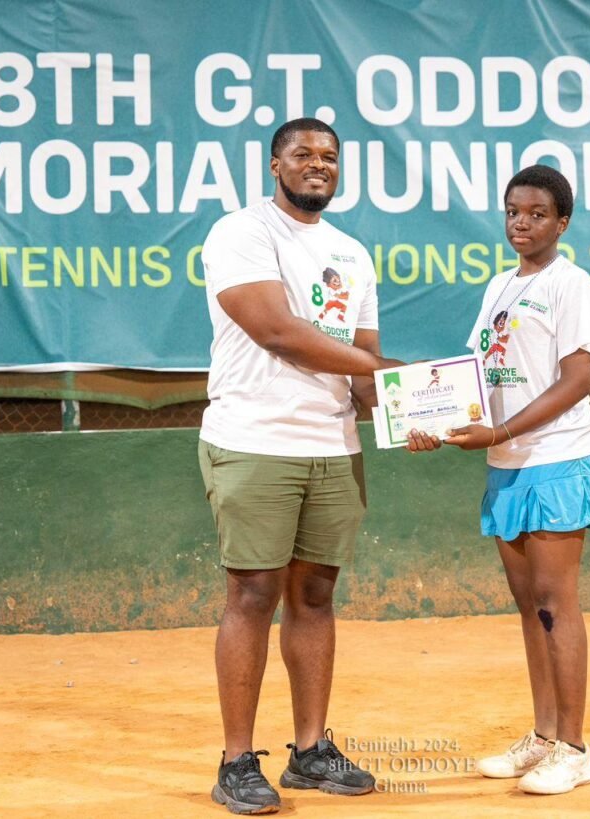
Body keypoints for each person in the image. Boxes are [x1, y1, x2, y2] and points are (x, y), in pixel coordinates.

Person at [199, 117, 395, 815]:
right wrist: (380, 368)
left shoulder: (352, 253)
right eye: (304, 154)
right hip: (255, 439)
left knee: (314, 596)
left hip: (333, 445)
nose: (320, 165)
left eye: (331, 157)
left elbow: (366, 374)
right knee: (253, 594)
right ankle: (235, 760)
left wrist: (425, 408)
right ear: (275, 165)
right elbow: (279, 331)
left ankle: (310, 751)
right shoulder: (242, 233)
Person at [407, 164, 590, 796]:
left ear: (562, 222)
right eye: (514, 212)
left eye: (538, 214)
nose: (522, 223)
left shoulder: (571, 284)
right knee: (530, 609)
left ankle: (575, 749)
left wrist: (499, 433)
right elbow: (474, 375)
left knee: (556, 604)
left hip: (557, 458)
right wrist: (428, 422)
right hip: (506, 465)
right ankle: (544, 736)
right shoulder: (499, 285)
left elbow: (576, 381)